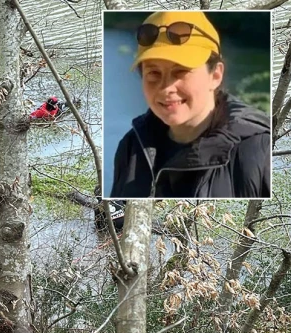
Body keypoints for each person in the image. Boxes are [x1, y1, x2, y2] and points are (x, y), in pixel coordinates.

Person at [110, 11, 271, 199]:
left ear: (215, 75)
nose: (166, 88)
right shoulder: (133, 146)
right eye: (154, 73)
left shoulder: (260, 149)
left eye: (181, 72)